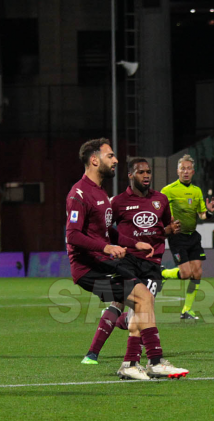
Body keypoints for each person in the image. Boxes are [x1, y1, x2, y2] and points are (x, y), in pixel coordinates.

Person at [67, 139, 188, 380]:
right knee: (142, 297)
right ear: (94, 160)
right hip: (87, 269)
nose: (115, 160)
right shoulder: (79, 193)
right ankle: (151, 361)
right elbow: (73, 235)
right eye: (110, 156)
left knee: (142, 298)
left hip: (104, 262)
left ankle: (134, 364)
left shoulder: (100, 192)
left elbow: (106, 230)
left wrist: (133, 243)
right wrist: (107, 247)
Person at [160, 154, 214, 320]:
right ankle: (163, 274)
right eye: (182, 168)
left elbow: (202, 215)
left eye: (188, 169)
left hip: (193, 237)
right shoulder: (168, 190)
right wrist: (167, 222)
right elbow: (158, 209)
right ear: (177, 171)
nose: (185, 171)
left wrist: (209, 211)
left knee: (197, 273)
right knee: (185, 273)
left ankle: (187, 310)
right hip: (177, 237)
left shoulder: (196, 191)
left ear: (193, 172)